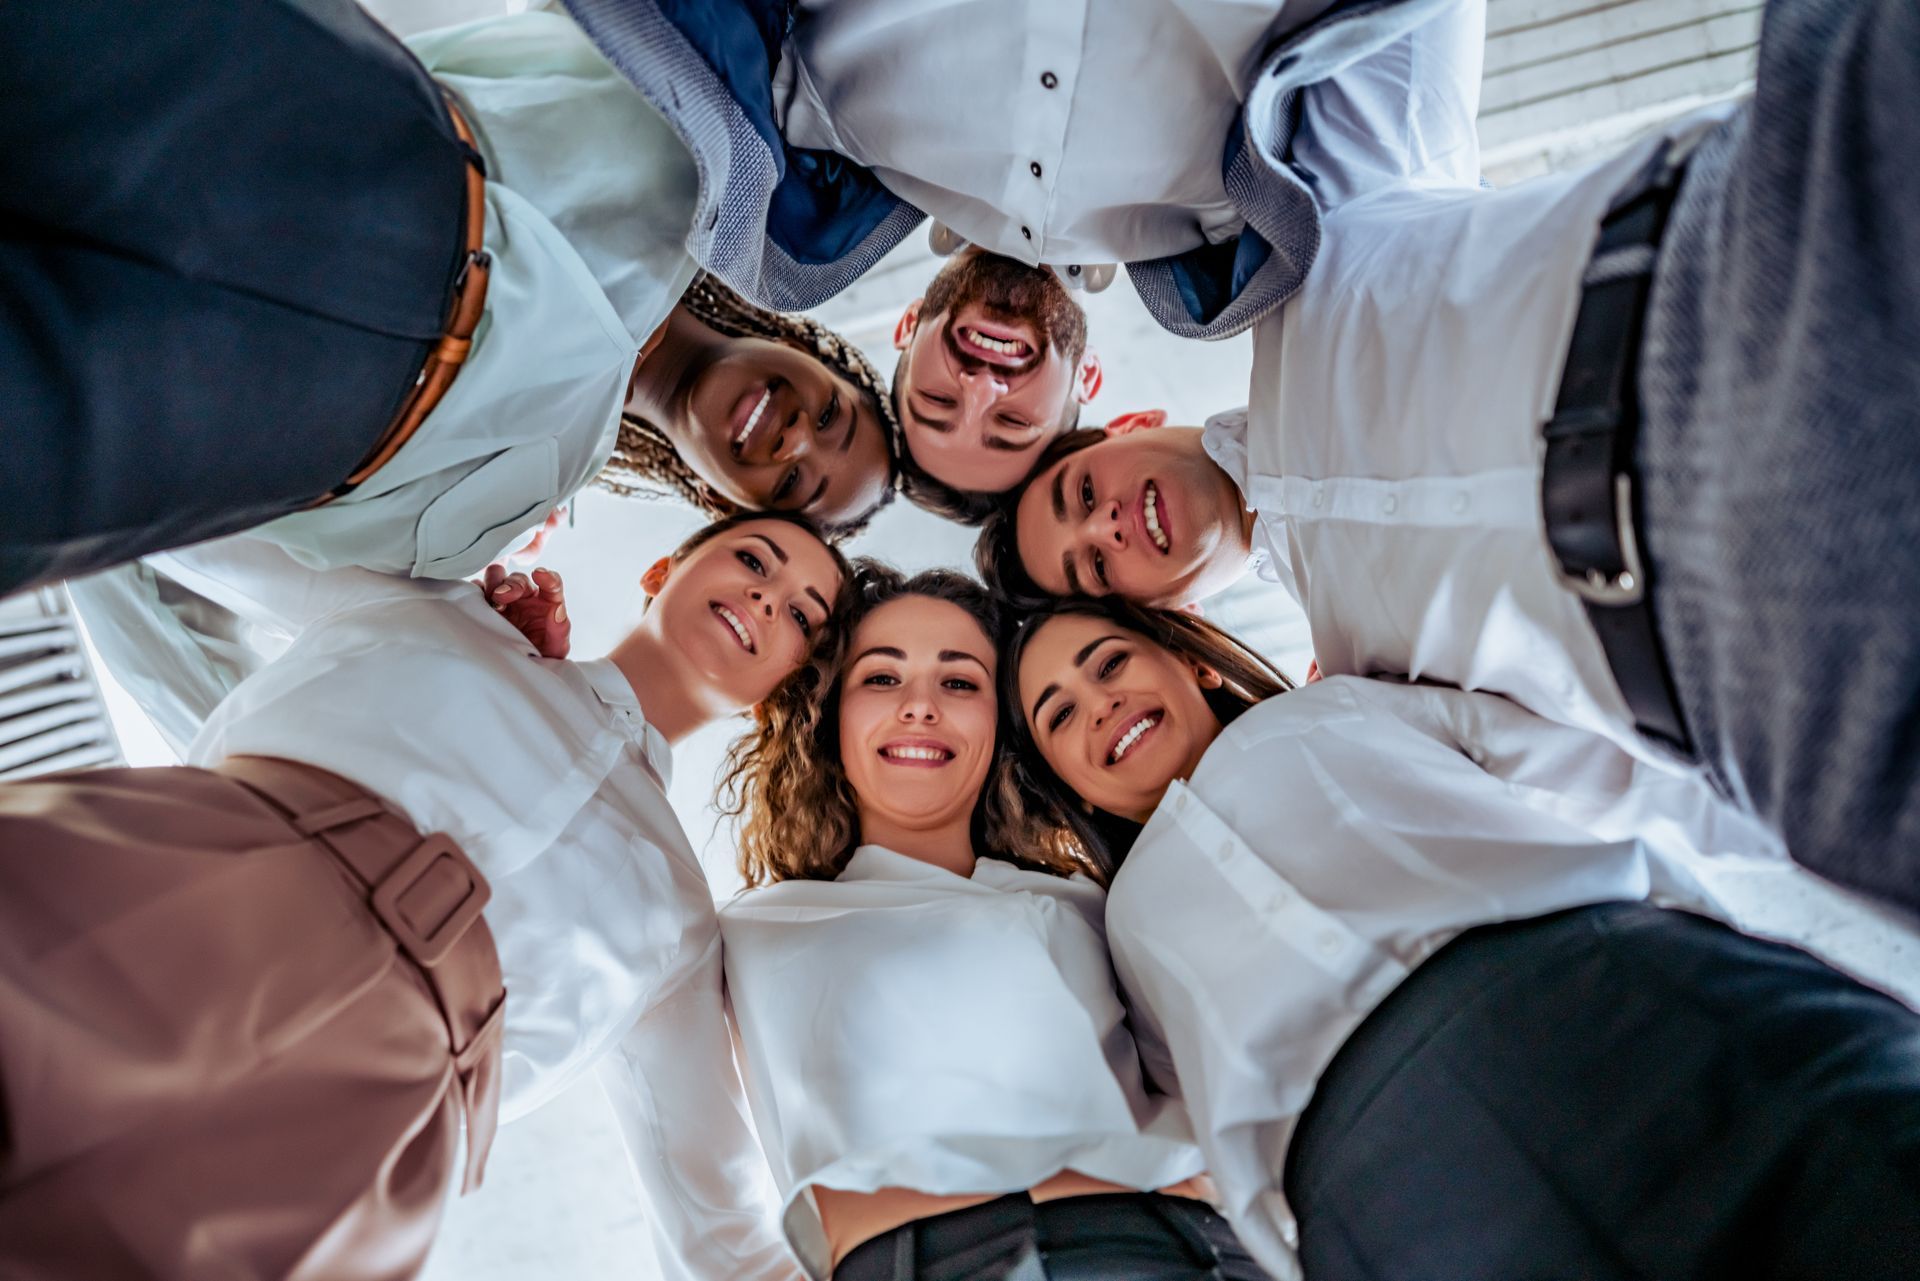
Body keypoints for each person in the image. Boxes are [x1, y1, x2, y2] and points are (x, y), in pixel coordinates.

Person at [979, 0, 1920, 916]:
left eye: (1079, 491)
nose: (1106, 524)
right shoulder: (1367, 691)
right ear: (1158, 612)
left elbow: (1397, 32)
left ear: (1129, 419)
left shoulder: (1306, 244)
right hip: (1778, 659)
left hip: (1759, 262)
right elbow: (1621, 795)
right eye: (1094, 566)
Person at [0, 512, 848, 1281]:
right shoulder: (442, 607)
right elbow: (165, 529)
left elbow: (721, 1228)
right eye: (753, 559)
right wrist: (422, 524)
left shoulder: (685, 922)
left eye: (803, 616)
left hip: (366, 1129)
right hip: (194, 876)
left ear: (787, 683)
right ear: (664, 567)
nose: (768, 600)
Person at [1002, 595, 1920, 1281]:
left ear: (1188, 659)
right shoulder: (1119, 926)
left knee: (1869, 1176)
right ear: (1070, 788)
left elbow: (1596, 763)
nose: (1097, 703)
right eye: (1058, 713)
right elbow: (1175, 1116)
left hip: (1612, 991)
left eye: (1108, 661)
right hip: (1385, 1185)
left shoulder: (1342, 704)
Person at [2, 2, 896, 597]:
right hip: (334, 144)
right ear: (814, 350)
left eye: (793, 484)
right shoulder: (718, 169)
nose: (792, 436)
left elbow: (265, 574)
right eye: (833, 416)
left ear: (730, 505)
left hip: (249, 421)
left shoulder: (526, 510)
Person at [598, 563, 1269, 1280]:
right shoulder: (747, 931)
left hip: (1190, 1248)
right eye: (882, 679)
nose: (920, 705)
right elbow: (687, 1168)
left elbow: (1219, 1075)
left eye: (959, 681)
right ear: (831, 715)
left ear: (1002, 724)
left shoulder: (1097, 903)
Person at [560, 0, 1486, 497]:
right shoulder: (1230, 203)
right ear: (1083, 391)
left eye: (933, 402)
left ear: (909, 329)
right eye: (1011, 425)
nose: (982, 390)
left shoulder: (814, 118)